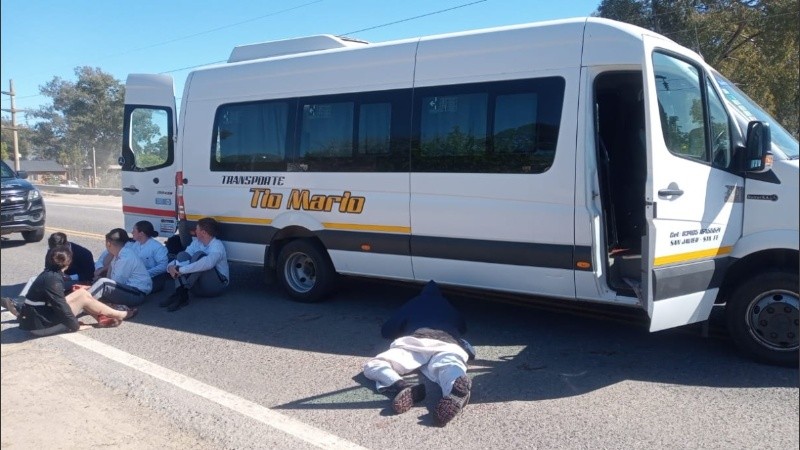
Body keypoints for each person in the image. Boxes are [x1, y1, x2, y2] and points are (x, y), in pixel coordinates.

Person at [362, 280, 475, 426]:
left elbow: (387, 330)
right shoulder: (449, 306)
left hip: (418, 341)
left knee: (375, 365)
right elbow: (462, 326)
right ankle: (453, 389)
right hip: (449, 343)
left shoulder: (414, 303)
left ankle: (400, 386)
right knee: (449, 366)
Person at [2, 245, 137, 336]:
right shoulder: (53, 280)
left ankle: (103, 317)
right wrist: (75, 326)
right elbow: (61, 306)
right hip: (40, 327)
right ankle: (121, 315)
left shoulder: (49, 273)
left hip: (39, 318)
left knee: (82, 293)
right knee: (83, 297)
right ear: (68, 262)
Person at [160, 217, 229, 312]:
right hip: (196, 287)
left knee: (200, 256)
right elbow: (182, 259)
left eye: (197, 229)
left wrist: (180, 269)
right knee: (182, 255)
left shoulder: (217, 246)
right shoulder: (196, 243)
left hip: (215, 287)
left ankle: (180, 294)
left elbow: (207, 264)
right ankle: (181, 294)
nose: (195, 231)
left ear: (204, 232)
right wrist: (170, 267)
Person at [87, 228, 152, 307]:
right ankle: (85, 299)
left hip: (136, 294)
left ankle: (82, 301)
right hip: (128, 290)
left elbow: (116, 283)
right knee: (99, 282)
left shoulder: (126, 257)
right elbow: (110, 276)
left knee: (103, 283)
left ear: (108, 243)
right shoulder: (119, 253)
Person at [130, 220, 169, 293]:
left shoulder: (157, 247)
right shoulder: (136, 244)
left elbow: (163, 266)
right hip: (138, 276)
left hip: (154, 279)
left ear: (141, 233)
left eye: (134, 231)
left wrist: (145, 273)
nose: (132, 233)